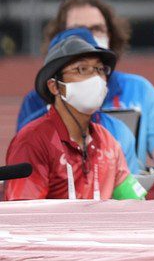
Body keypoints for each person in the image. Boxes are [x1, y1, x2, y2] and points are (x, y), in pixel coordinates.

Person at [17, 0, 154, 173]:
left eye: (97, 29)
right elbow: (27, 164)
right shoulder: (34, 108)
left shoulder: (137, 97)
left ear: (111, 35)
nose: (87, 36)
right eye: (77, 29)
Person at [5, 35, 146, 201]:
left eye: (100, 69)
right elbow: (25, 212)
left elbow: (137, 205)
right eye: (82, 69)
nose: (96, 78)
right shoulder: (33, 141)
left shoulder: (108, 143)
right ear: (55, 86)